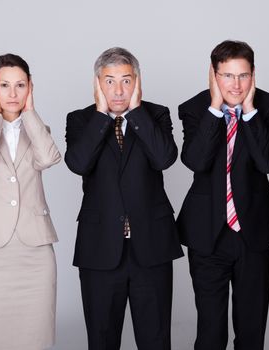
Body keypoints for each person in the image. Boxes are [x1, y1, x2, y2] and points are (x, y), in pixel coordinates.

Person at [64, 47, 183, 350]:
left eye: (126, 81)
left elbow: (165, 158)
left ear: (137, 82)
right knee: (102, 339)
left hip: (151, 247)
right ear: (97, 83)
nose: (118, 90)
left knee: (155, 339)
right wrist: (103, 115)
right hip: (100, 249)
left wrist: (135, 111)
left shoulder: (154, 115)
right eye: (110, 81)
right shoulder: (81, 120)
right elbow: (78, 163)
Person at [177, 40, 269, 350]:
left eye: (243, 75)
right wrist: (215, 110)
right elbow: (195, 161)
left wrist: (249, 113)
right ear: (213, 75)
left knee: (251, 328)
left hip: (253, 229)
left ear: (253, 74)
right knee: (210, 330)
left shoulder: (268, 106)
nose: (236, 84)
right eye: (227, 75)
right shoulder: (196, 108)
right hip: (207, 232)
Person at [0, 53, 61, 350]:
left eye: (20, 85)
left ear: (30, 87)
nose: (13, 93)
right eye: (4, 85)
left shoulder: (39, 129)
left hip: (35, 251)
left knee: (38, 334)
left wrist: (30, 113)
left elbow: (49, 158)